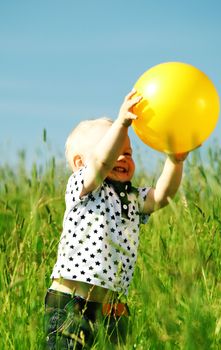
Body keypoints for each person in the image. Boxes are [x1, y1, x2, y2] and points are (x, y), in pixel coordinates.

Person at [44, 89, 188, 348]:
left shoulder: (132, 197)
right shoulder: (83, 186)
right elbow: (100, 163)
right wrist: (122, 123)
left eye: (129, 153)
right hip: (71, 301)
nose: (122, 158)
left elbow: (163, 196)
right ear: (79, 163)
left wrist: (174, 162)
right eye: (115, 150)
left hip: (113, 306)